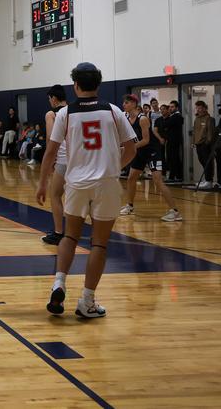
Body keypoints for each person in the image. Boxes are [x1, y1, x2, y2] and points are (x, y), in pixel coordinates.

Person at [36, 62, 138, 319]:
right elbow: (131, 149)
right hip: (106, 184)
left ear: (75, 85)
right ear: (98, 84)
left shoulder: (65, 113)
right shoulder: (114, 111)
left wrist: (42, 183)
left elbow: (50, 152)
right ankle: (87, 301)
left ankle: (59, 283)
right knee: (99, 244)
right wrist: (113, 167)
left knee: (69, 237)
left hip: (77, 183)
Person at [118, 95, 182, 221]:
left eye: (126, 103)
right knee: (131, 179)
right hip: (140, 152)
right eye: (123, 102)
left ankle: (175, 212)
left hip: (152, 152)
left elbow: (146, 140)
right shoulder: (126, 118)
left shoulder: (143, 119)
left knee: (158, 181)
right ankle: (130, 206)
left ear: (134, 104)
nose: (124, 105)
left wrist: (128, 148)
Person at [36, 85, 68, 245]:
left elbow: (50, 138)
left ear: (54, 98)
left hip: (62, 159)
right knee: (83, 198)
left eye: (49, 98)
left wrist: (51, 161)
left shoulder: (51, 114)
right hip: (79, 160)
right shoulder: (73, 110)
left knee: (55, 195)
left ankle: (58, 233)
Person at [191, 101, 216, 188]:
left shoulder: (209, 119)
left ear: (205, 108)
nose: (198, 109)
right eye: (197, 108)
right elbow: (194, 132)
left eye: (200, 108)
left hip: (205, 144)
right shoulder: (196, 119)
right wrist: (193, 142)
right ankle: (206, 179)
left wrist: (207, 142)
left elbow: (210, 132)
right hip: (198, 144)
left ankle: (209, 181)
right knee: (202, 161)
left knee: (207, 162)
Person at [164, 101, 184, 183]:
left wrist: (167, 123)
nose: (170, 108)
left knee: (173, 158)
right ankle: (176, 176)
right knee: (172, 158)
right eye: (170, 107)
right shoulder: (173, 116)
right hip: (171, 140)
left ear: (177, 108)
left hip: (174, 140)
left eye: (172, 107)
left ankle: (173, 177)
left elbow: (166, 124)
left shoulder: (177, 116)